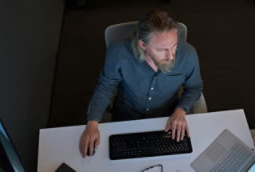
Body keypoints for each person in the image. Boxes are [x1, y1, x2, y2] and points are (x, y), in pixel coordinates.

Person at [79, 10, 203, 157]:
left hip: (167, 116)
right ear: (143, 45)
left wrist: (181, 110)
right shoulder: (118, 53)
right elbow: (105, 87)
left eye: (174, 46)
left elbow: (195, 87)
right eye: (162, 50)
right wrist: (92, 123)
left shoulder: (188, 54)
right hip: (127, 113)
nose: (171, 56)